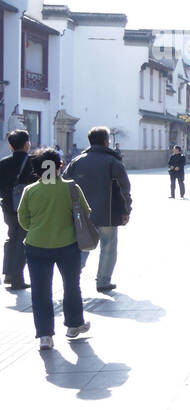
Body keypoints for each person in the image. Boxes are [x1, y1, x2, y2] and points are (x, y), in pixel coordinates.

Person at [17, 148, 91, 348]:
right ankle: (74, 324)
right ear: (60, 166)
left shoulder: (30, 190)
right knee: (71, 285)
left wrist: (39, 228)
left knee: (41, 291)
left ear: (37, 170)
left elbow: (23, 220)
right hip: (68, 246)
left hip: (36, 246)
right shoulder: (71, 187)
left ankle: (45, 336)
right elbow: (86, 212)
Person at [64, 127, 132, 294]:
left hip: (82, 215)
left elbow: (64, 184)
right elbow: (124, 189)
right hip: (108, 214)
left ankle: (72, 277)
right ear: (106, 141)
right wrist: (126, 210)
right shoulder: (113, 161)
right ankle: (103, 281)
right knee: (108, 247)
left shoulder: (77, 161)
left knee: (83, 246)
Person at [1, 129, 36, 289]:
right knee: (22, 239)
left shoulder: (3, 163)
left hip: (8, 206)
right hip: (28, 207)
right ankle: (17, 277)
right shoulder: (34, 162)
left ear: (11, 145)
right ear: (27, 144)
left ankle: (8, 273)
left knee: (12, 236)